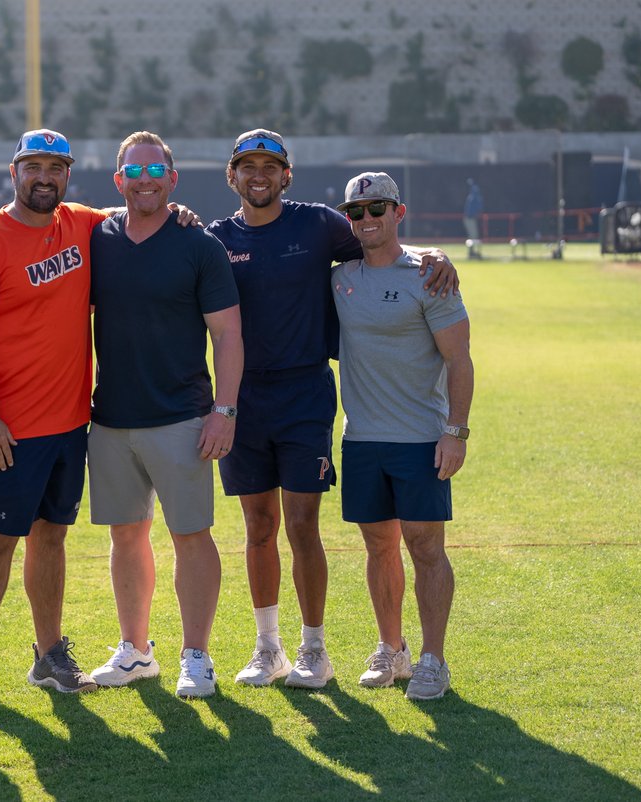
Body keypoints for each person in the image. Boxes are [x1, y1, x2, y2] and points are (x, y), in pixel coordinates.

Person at [207, 129, 458, 690]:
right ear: (232, 176)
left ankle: (313, 649)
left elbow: (382, 240)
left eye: (270, 166)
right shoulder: (215, 236)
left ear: (285, 175)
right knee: (258, 527)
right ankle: (267, 647)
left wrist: (433, 254)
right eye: (248, 166)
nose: (259, 175)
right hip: (243, 398)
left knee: (302, 524)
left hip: (304, 396)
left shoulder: (319, 225)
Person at [0, 129, 103, 703]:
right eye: (33, 166)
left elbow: (139, 216)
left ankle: (48, 653)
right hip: (5, 429)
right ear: (14, 172)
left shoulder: (84, 223)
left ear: (68, 174)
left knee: (52, 536)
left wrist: (179, 210)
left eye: (55, 167)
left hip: (69, 422)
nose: (44, 177)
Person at [86, 131, 243, 699]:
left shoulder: (197, 243)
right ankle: (135, 652)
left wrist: (224, 409)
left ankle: (196, 656)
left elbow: (227, 334)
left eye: (156, 172)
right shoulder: (97, 235)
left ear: (173, 181)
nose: (145, 180)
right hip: (109, 419)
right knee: (126, 537)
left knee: (191, 536)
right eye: (134, 172)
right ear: (118, 180)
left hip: (182, 416)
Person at [332, 171, 473, 701]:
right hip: (362, 437)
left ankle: (434, 659)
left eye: (377, 208)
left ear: (398, 212)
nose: (367, 219)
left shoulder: (430, 275)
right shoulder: (338, 277)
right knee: (378, 546)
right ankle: (393, 650)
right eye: (357, 212)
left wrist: (455, 432)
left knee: (425, 546)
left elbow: (459, 359)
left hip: (420, 438)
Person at [463, 179, 483, 259]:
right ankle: (471, 253)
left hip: (470, 218)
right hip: (469, 219)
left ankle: (472, 252)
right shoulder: (473, 197)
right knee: (473, 236)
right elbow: (475, 209)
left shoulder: (472, 197)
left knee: (473, 236)